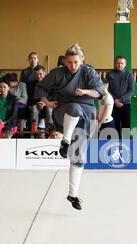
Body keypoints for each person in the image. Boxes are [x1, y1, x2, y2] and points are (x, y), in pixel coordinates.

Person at [37, 43, 104, 210]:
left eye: (76, 62)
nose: (73, 66)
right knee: (75, 108)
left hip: (86, 116)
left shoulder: (89, 71)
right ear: (65, 61)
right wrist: (47, 102)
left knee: (78, 157)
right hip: (63, 111)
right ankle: (65, 141)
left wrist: (86, 92)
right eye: (69, 62)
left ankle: (72, 195)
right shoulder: (58, 73)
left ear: (82, 60)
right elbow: (40, 87)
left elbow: (99, 92)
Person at [107, 56, 135, 138]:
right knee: (114, 128)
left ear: (125, 64)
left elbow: (131, 91)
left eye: (122, 63)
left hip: (125, 105)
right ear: (115, 64)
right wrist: (115, 100)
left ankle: (127, 148)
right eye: (118, 63)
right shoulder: (110, 74)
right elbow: (107, 89)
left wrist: (121, 100)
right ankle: (116, 146)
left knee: (126, 128)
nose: (120, 65)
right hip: (113, 105)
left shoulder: (129, 75)